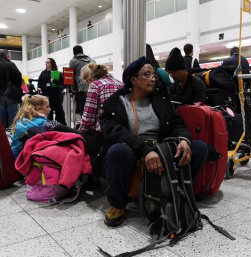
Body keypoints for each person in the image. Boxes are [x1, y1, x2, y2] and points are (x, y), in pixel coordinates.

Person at [100, 56, 208, 227]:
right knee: (117, 152)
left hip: (160, 149)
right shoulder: (117, 104)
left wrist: (184, 139)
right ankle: (118, 204)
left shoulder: (160, 99)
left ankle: (177, 193)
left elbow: (176, 123)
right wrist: (144, 150)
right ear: (133, 80)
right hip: (133, 149)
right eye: (147, 74)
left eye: (153, 75)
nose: (153, 78)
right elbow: (115, 132)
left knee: (199, 148)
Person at [10, 94, 51, 158]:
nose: (50, 109)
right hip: (33, 160)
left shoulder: (21, 120)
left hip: (16, 158)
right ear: (39, 108)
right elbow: (60, 128)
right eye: (47, 107)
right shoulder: (45, 122)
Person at [37, 58, 66, 125]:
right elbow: (40, 81)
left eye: (48, 62)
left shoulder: (57, 73)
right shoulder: (43, 73)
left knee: (59, 111)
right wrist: (39, 87)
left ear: (51, 63)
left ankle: (62, 125)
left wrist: (54, 81)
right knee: (48, 111)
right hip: (46, 95)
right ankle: (48, 125)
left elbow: (62, 83)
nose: (46, 64)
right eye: (46, 62)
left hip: (56, 94)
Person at [69, 45, 95, 116]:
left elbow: (71, 75)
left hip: (82, 88)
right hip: (94, 87)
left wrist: (72, 87)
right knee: (93, 108)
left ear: (74, 53)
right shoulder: (92, 60)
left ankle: (85, 125)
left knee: (83, 110)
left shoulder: (73, 61)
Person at [0, 49, 22, 129]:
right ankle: (11, 130)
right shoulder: (10, 64)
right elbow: (18, 77)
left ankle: (2, 131)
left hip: (0, 94)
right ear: (8, 56)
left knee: (1, 112)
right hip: (11, 93)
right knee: (12, 113)